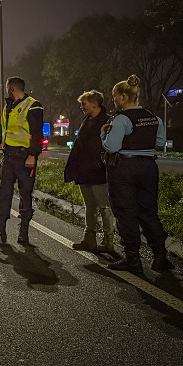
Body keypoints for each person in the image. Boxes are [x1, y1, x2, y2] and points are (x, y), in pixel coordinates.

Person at [101, 74, 174, 272]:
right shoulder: (154, 118)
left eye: (115, 96)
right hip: (148, 167)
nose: (114, 100)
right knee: (148, 212)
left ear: (124, 97)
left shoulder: (121, 119)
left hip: (124, 168)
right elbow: (159, 144)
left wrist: (104, 135)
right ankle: (160, 256)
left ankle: (132, 258)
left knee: (125, 213)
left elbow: (112, 147)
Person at [0, 76, 45, 244]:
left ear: (11, 88)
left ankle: (23, 230)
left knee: (25, 194)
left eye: (8, 87)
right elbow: (4, 128)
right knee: (4, 194)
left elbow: (37, 134)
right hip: (8, 156)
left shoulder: (33, 105)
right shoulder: (9, 106)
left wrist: (32, 155)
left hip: (24, 157)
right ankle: (0, 227)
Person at [64, 90, 117, 252]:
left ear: (95, 104)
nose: (81, 107)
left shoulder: (108, 121)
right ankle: (89, 239)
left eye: (84, 103)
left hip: (99, 171)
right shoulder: (86, 120)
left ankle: (108, 241)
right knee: (89, 206)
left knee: (104, 207)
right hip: (84, 170)